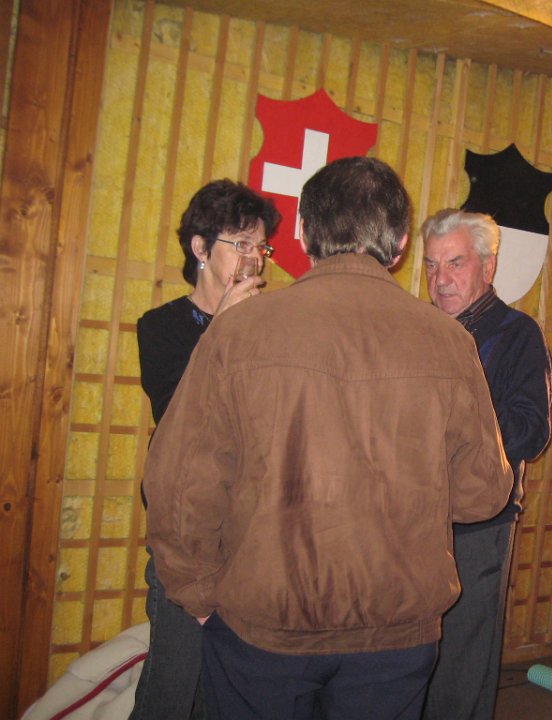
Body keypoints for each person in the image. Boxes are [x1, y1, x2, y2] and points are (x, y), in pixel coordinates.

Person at [142, 156, 512, 720]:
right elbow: (482, 492)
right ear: (401, 243)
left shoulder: (237, 331)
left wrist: (197, 594)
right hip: (396, 632)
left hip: (263, 628)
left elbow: (179, 482)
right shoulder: (449, 342)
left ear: (302, 231)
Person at [132, 179, 280, 720]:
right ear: (200, 248)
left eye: (259, 247)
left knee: (225, 684)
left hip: (247, 525)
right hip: (186, 524)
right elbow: (177, 411)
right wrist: (221, 329)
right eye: (240, 244)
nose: (253, 258)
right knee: (173, 681)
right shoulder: (162, 327)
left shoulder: (266, 329)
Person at [420, 209, 552, 720]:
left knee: (462, 663)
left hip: (478, 523)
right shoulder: (419, 330)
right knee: (412, 655)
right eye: (432, 265)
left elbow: (532, 430)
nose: (441, 279)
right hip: (413, 517)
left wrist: (456, 428)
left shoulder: (518, 334)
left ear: (488, 266)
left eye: (455, 263)